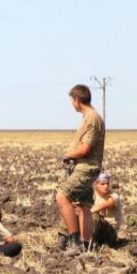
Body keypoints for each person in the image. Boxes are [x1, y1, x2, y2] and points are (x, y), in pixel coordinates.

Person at [56, 84, 105, 256]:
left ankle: (74, 242)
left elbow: (86, 149)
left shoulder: (91, 118)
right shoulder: (89, 117)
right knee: (83, 205)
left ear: (77, 100)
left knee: (62, 196)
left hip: (86, 168)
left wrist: (67, 155)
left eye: (71, 100)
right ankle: (85, 246)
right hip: (86, 167)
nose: (71, 104)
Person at [90, 172, 123, 246]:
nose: (106, 186)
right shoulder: (93, 194)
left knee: (93, 216)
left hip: (110, 232)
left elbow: (106, 204)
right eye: (102, 184)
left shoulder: (114, 196)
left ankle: (90, 243)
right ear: (95, 185)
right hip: (98, 228)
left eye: (107, 184)